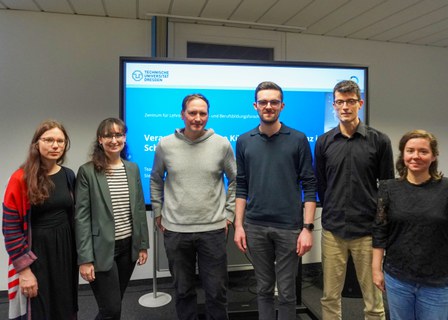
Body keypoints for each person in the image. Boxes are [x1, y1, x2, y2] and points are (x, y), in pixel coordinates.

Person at [372, 129, 448, 320]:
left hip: (439, 282)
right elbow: (380, 231)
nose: (416, 156)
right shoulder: (388, 189)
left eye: (423, 151)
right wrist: (376, 269)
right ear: (403, 154)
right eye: (410, 150)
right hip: (398, 278)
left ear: (434, 156)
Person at [234, 81, 317, 320]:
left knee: (288, 293)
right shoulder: (244, 140)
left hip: (289, 228)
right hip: (255, 226)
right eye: (263, 102)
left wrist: (307, 228)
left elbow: (309, 186)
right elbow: (241, 185)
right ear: (255, 106)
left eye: (273, 102)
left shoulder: (298, 139)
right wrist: (239, 226)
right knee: (263, 289)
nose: (268, 106)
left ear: (282, 105)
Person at [150, 93, 236, 320]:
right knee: (183, 290)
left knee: (216, 292)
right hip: (176, 231)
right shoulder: (165, 145)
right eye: (192, 112)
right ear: (182, 115)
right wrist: (158, 211)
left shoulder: (222, 144)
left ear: (208, 115)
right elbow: (156, 179)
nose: (197, 118)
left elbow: (236, 179)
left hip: (213, 231)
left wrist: (229, 214)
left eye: (203, 113)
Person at [315, 80, 394, 319]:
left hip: (368, 231)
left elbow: (387, 188)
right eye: (340, 102)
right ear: (334, 106)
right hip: (333, 231)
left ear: (360, 103)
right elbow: (321, 185)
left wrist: (381, 228)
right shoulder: (324, 142)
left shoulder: (379, 141)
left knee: (373, 298)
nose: (345, 107)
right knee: (330, 296)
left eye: (350, 101)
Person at [2, 120, 78, 320]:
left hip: (65, 252)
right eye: (49, 140)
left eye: (60, 141)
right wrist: (24, 270)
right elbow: (10, 228)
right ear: (37, 143)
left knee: (65, 305)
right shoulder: (20, 178)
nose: (55, 145)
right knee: (39, 309)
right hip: (36, 255)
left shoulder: (68, 175)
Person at [75, 117, 149, 320]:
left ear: (124, 138)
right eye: (108, 135)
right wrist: (85, 259)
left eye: (118, 134)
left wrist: (142, 244)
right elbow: (81, 218)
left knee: (114, 303)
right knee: (111, 309)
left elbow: (139, 209)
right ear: (100, 139)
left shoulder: (132, 168)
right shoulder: (87, 171)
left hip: (128, 248)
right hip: (100, 250)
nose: (114, 139)